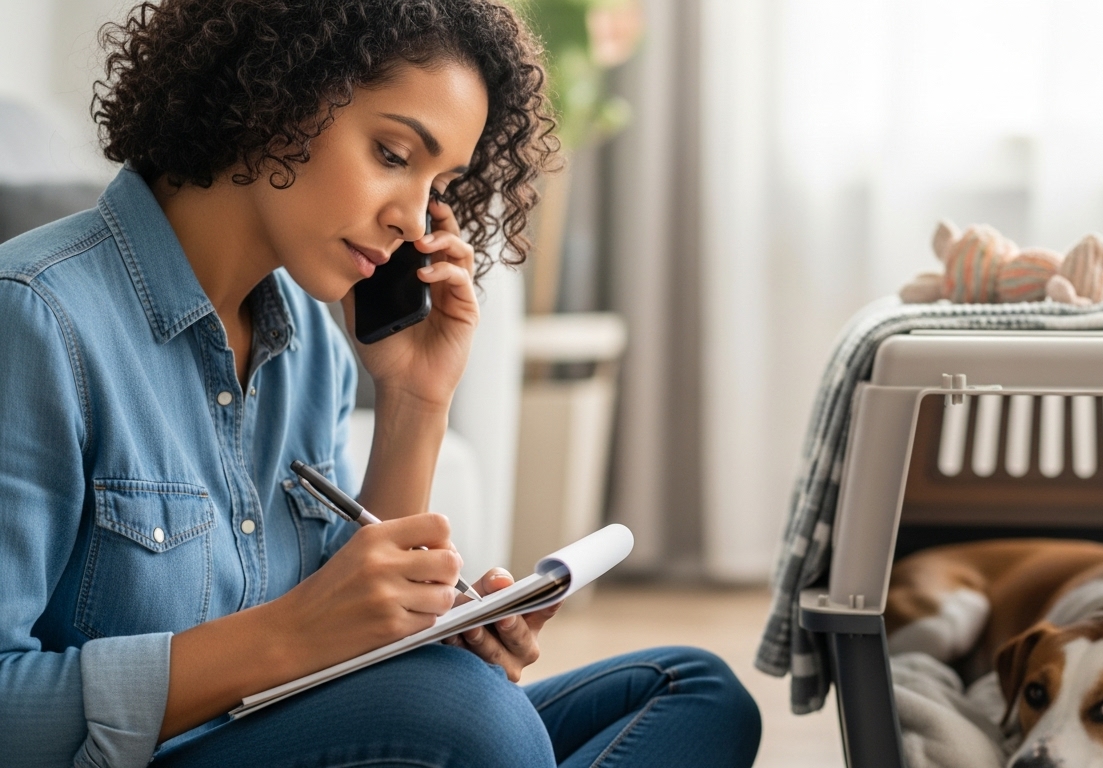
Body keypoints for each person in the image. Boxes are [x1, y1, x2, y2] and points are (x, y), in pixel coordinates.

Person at [0, 1, 761, 766]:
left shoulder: (307, 341)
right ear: (277, 92)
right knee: (476, 724)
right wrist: (294, 632)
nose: (413, 217)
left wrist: (416, 400)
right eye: (395, 154)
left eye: (438, 183)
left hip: (281, 737)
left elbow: (340, 658)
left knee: (692, 691)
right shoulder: (36, 319)